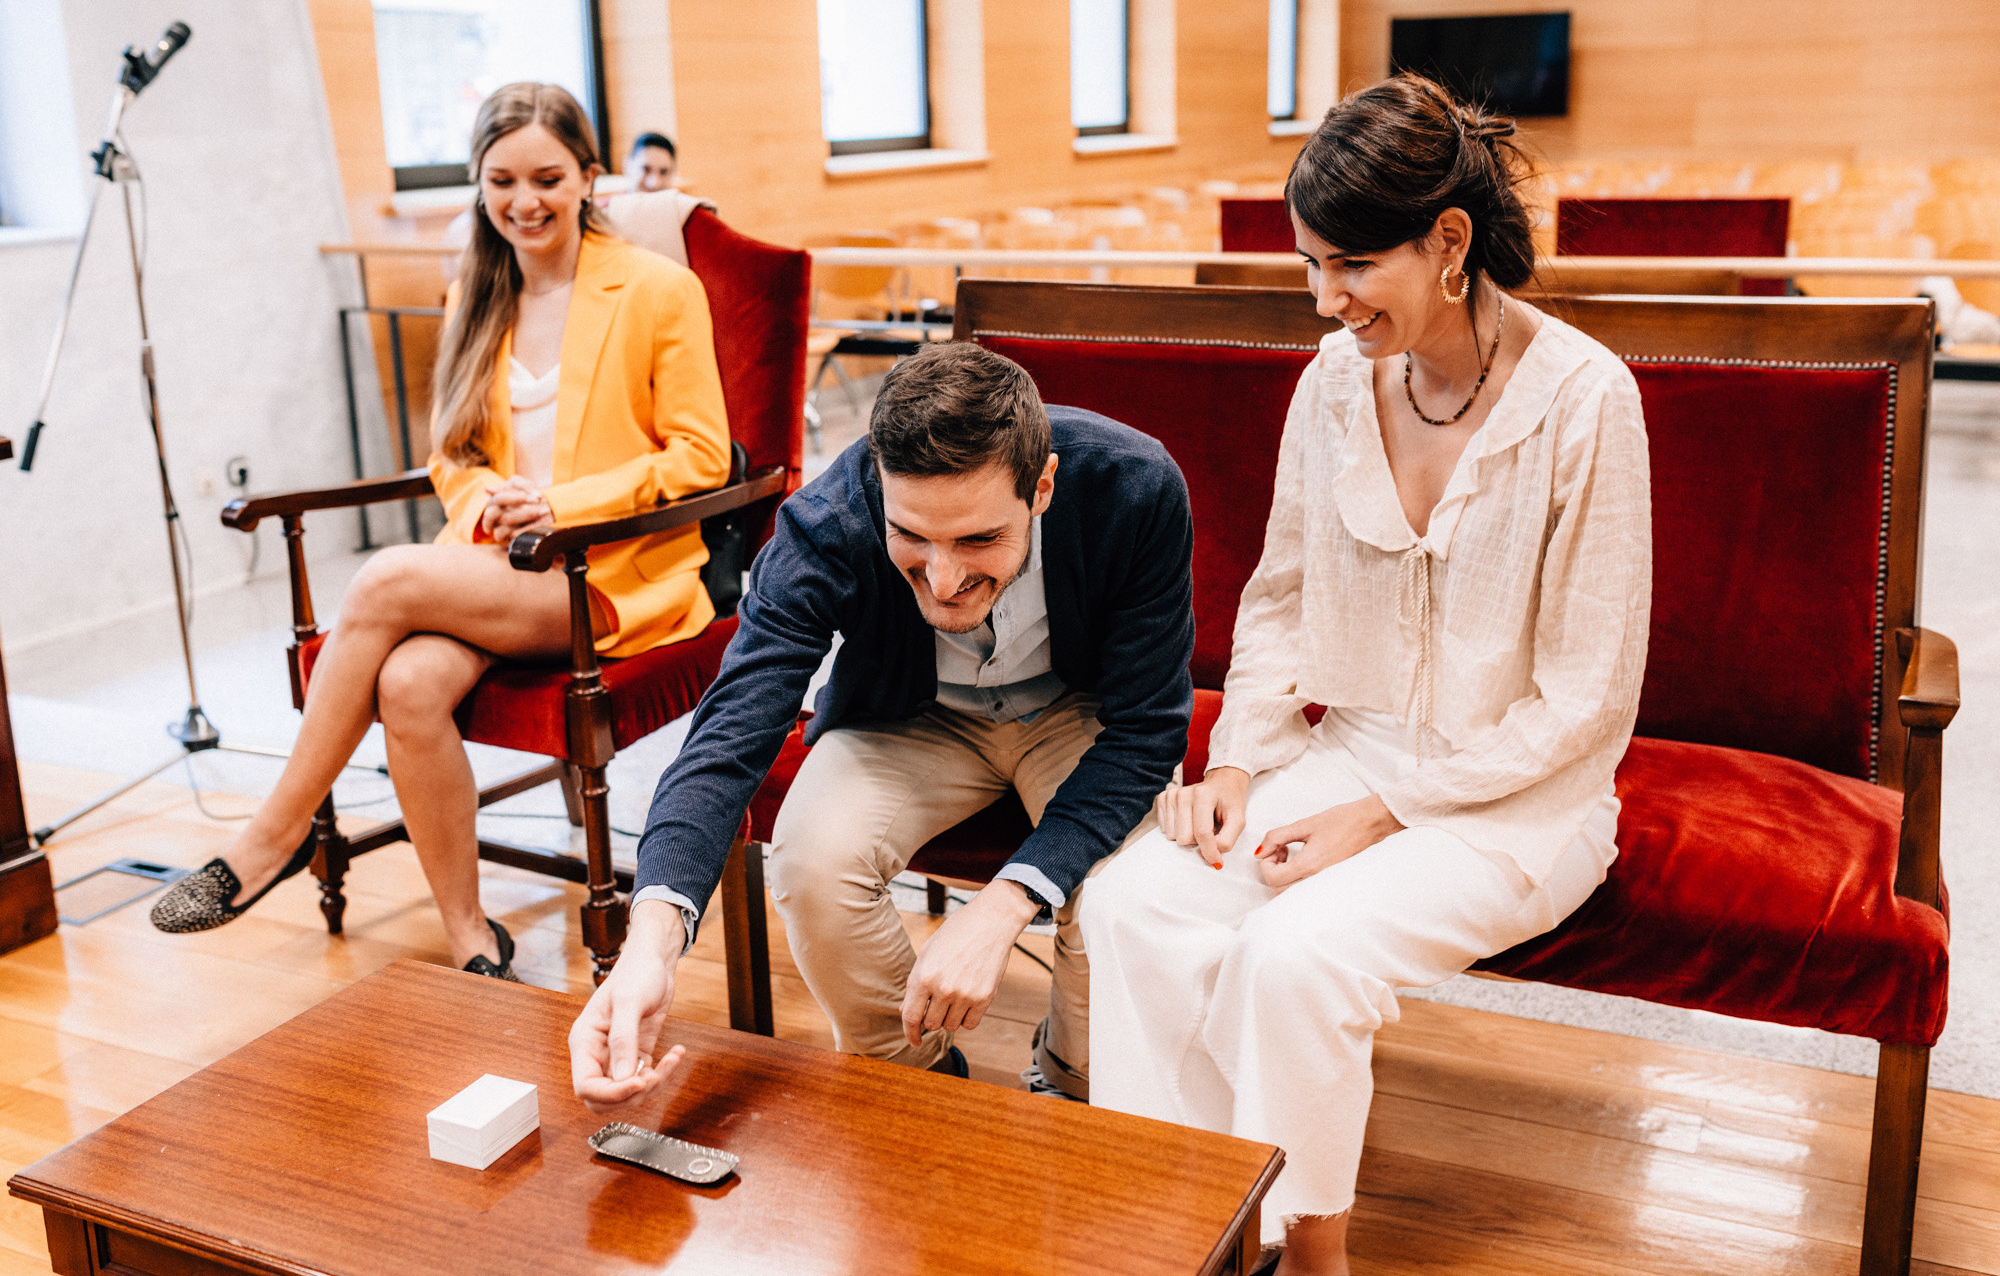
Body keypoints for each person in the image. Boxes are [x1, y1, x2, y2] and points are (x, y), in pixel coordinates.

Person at [1080, 74, 1652, 1276]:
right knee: (1131, 903)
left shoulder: (1586, 398)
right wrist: (1234, 761)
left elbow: (1586, 697)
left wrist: (1381, 815)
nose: (1325, 301)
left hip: (1517, 802)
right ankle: (1187, 1221)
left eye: (1350, 266)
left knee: (1296, 956)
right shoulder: (1333, 382)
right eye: (1308, 267)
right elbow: (1280, 597)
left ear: (1449, 242)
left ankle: (1309, 1254)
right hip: (1345, 757)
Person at [151, 84, 731, 980]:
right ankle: (472, 937)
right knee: (412, 684)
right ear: (479, 183)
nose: (525, 201)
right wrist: (486, 502)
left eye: (547, 177)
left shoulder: (659, 289)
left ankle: (269, 839)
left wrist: (560, 506)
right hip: (495, 564)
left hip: (609, 573)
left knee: (382, 580)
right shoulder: (476, 292)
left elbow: (701, 456)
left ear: (589, 177)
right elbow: (451, 457)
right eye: (502, 180)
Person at [567, 342, 1195, 1106]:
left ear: (1043, 488)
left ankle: (1073, 1081)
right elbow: (730, 729)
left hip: (1081, 711)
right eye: (913, 537)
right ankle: (916, 1083)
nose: (943, 577)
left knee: (1123, 892)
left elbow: (1148, 729)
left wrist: (1009, 898)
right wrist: (650, 945)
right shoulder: (827, 521)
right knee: (810, 858)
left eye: (977, 539)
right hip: (915, 715)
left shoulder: (1135, 484)